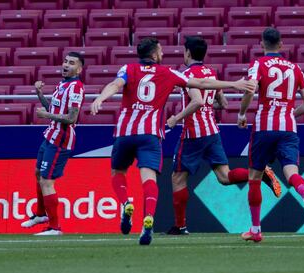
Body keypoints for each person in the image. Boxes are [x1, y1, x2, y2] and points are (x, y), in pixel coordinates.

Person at [90, 37, 256, 245]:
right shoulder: (168, 72)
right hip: (151, 135)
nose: (163, 54)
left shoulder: (128, 68)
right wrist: (234, 83)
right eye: (160, 50)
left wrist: (100, 99)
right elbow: (203, 84)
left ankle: (126, 204)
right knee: (149, 179)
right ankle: (148, 217)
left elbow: (115, 85)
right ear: (153, 55)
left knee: (119, 173)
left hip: (125, 132)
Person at [165, 36, 281, 235]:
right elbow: (223, 104)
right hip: (212, 132)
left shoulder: (190, 74)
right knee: (224, 177)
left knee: (177, 177)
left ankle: (180, 226)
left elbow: (197, 102)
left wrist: (176, 117)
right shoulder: (211, 73)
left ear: (188, 53)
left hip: (193, 133)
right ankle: (261, 174)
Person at [238, 27, 304, 242]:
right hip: (288, 128)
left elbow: (249, 89)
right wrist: (291, 113)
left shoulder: (259, 64)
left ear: (262, 44)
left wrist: (241, 113)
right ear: (281, 45)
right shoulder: (295, 68)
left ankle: (256, 230)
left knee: (255, 177)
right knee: (291, 172)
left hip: (264, 127)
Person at [21, 52, 85, 235]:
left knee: (47, 181)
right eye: (65, 61)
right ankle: (41, 214)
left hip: (61, 139)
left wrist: (46, 116)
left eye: (71, 63)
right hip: (50, 135)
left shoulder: (76, 88)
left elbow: (71, 118)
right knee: (38, 173)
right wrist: (39, 94)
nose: (66, 65)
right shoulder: (62, 84)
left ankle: (55, 227)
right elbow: (53, 109)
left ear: (79, 69)